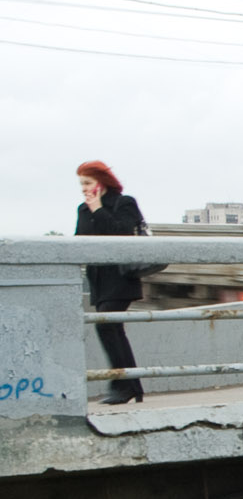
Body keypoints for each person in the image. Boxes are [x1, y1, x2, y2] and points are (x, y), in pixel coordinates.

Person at [74, 160, 148, 404]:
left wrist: (98, 209)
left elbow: (122, 234)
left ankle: (123, 386)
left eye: (88, 183)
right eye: (81, 184)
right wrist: (91, 210)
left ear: (101, 182)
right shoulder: (83, 210)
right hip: (98, 280)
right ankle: (131, 386)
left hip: (121, 277)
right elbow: (80, 242)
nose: (84, 188)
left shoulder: (124, 203)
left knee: (106, 325)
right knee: (112, 328)